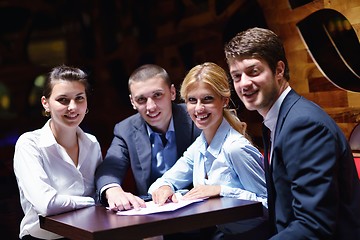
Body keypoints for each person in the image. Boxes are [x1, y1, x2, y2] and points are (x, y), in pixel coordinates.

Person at [224, 27, 360, 239]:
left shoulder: (303, 125)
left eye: (253, 72)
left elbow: (314, 225)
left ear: (279, 70)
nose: (244, 84)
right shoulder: (276, 120)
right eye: (236, 76)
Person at [148, 62, 268, 238]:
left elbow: (269, 206)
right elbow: (163, 182)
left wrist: (221, 190)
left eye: (207, 99)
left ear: (225, 100)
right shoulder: (200, 145)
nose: (198, 108)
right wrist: (165, 188)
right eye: (192, 100)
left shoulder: (235, 148)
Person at [94, 64, 201, 211]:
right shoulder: (125, 130)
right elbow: (111, 167)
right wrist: (113, 190)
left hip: (201, 213)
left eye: (157, 95)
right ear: (132, 102)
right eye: (141, 99)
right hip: (154, 218)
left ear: (172, 92)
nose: (151, 107)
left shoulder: (196, 117)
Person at [13, 65, 103, 240]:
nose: (73, 107)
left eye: (79, 98)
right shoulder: (29, 144)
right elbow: (47, 205)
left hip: (89, 234)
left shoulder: (92, 143)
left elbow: (101, 193)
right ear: (45, 103)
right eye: (63, 100)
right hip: (44, 237)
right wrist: (92, 202)